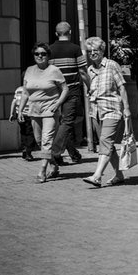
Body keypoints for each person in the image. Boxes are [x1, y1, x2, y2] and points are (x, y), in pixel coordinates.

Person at [82, 36, 132, 187]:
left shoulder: (111, 65)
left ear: (102, 50)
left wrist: (127, 108)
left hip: (112, 109)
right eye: (90, 51)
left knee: (105, 141)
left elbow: (122, 87)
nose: (92, 53)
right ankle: (119, 174)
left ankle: (97, 176)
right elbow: (91, 91)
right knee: (107, 144)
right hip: (96, 111)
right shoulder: (90, 70)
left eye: (95, 50)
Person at [23, 43, 69, 183]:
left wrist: (57, 104)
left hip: (50, 110)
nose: (40, 56)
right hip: (34, 110)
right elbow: (25, 92)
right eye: (37, 54)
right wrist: (19, 110)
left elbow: (65, 89)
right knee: (39, 140)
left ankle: (42, 171)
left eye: (43, 53)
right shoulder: (29, 70)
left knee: (46, 140)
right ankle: (53, 164)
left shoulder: (54, 70)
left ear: (48, 56)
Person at [48, 21, 88, 166]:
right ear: (70, 32)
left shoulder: (49, 50)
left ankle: (73, 154)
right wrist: (89, 87)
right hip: (72, 91)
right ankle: (55, 152)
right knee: (67, 122)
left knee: (62, 123)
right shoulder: (75, 49)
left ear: (56, 33)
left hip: (55, 92)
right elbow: (83, 71)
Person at [8, 86, 38, 161]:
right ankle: (28, 152)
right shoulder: (29, 89)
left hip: (19, 114)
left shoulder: (18, 89)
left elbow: (14, 101)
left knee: (23, 132)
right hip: (28, 114)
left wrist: (11, 114)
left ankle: (24, 149)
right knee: (30, 133)